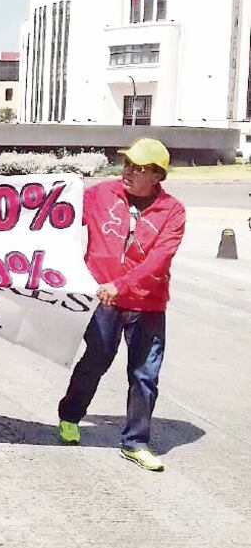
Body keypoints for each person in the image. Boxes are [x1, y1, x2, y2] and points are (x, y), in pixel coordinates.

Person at [56, 138, 185, 472]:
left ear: (157, 175)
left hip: (147, 304)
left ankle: (136, 442)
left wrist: (122, 284)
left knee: (145, 375)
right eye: (126, 163)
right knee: (96, 361)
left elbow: (160, 259)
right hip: (103, 301)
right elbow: (58, 217)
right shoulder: (101, 194)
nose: (127, 171)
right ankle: (70, 416)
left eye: (138, 168)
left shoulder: (173, 211)